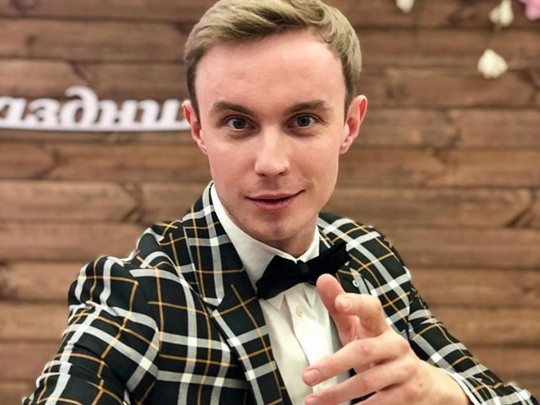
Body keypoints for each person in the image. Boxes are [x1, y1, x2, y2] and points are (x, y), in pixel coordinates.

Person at [24, 0, 537, 404]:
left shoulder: (371, 253)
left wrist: (444, 392)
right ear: (198, 128)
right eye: (238, 123)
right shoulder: (134, 291)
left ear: (350, 124)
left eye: (303, 121)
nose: (271, 163)